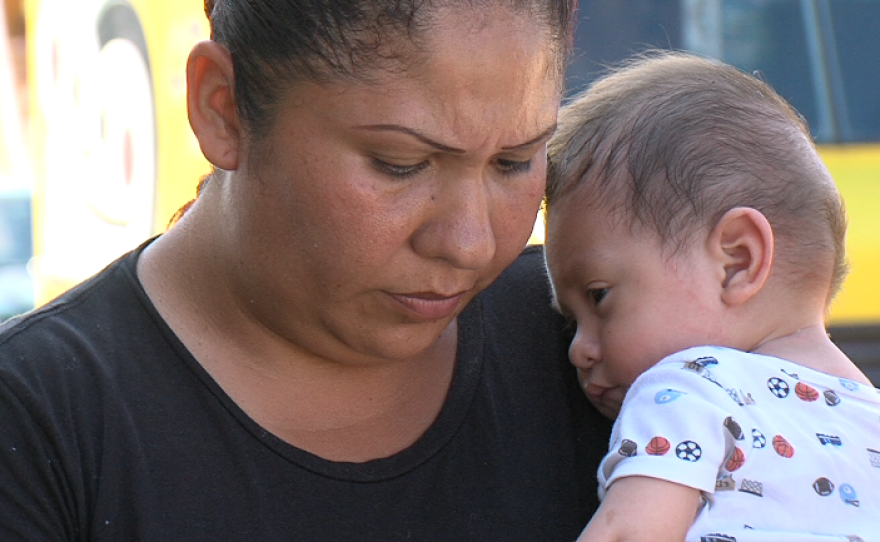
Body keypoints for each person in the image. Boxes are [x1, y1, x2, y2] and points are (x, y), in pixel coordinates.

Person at [0, 1, 613, 540]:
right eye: (400, 163)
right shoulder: (37, 424)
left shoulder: (603, 340)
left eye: (515, 161)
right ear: (223, 108)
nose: (470, 244)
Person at [543, 51, 880, 542]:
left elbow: (627, 534)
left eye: (599, 298)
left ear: (737, 262)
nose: (579, 348)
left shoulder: (687, 390)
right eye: (572, 323)